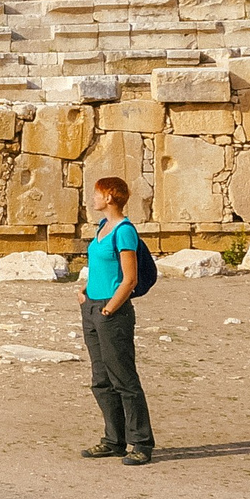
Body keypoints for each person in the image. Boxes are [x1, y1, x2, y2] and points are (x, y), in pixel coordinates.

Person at [78, 176, 153, 465]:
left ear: (109, 196)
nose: (92, 198)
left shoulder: (124, 231)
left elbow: (130, 277)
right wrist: (84, 291)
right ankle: (114, 440)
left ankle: (142, 443)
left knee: (124, 379)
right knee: (101, 380)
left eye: (96, 194)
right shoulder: (101, 227)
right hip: (92, 308)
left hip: (112, 312)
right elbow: (99, 265)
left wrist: (110, 308)